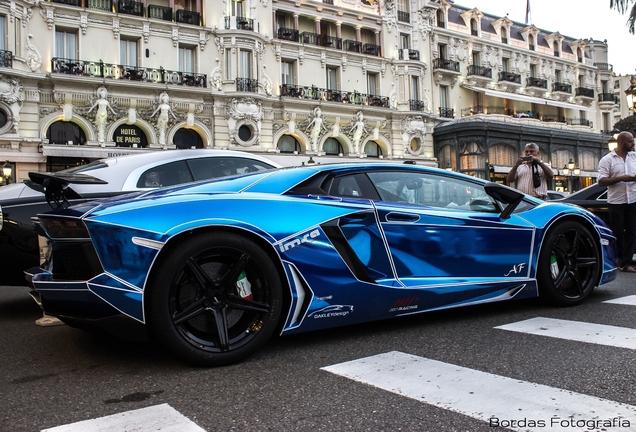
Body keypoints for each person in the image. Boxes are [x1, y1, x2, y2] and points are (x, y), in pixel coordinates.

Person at [597, 131, 636, 272]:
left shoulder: (634, 157)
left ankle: (626, 263)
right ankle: (617, 259)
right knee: (617, 233)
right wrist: (621, 178)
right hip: (616, 202)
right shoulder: (607, 159)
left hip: (633, 199)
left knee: (632, 232)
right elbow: (601, 181)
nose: (633, 143)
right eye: (630, 141)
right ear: (621, 142)